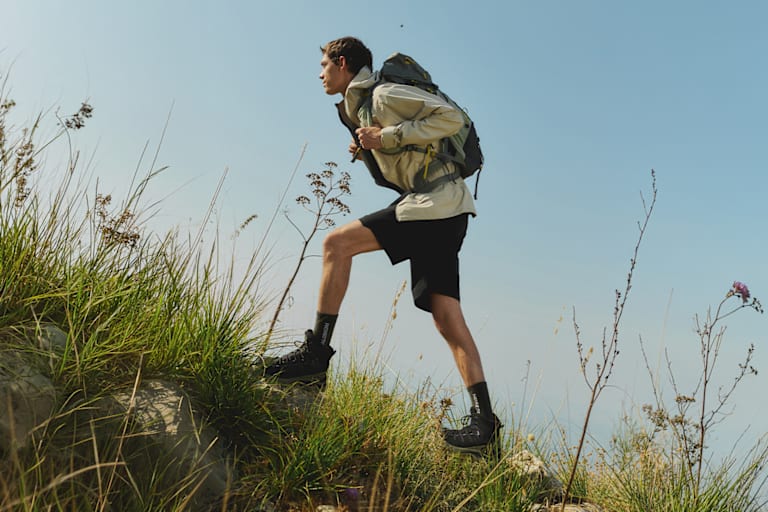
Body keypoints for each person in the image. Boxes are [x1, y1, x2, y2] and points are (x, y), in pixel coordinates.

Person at [265, 36, 502, 455]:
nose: (319, 74)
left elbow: (452, 117)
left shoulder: (384, 93)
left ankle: (315, 358)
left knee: (337, 244)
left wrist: (387, 136)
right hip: (446, 208)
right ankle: (485, 423)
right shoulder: (360, 107)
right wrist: (371, 145)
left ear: (342, 63)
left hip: (434, 205)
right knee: (446, 315)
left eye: (324, 65)